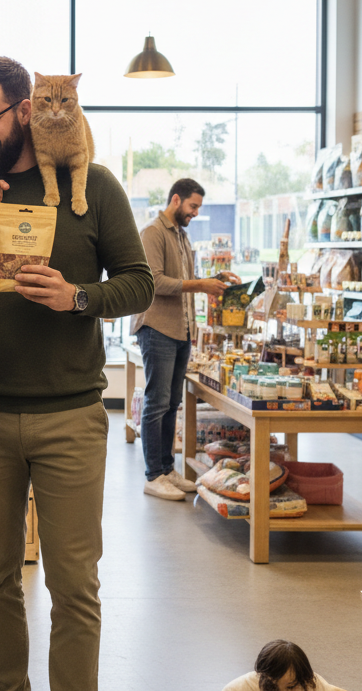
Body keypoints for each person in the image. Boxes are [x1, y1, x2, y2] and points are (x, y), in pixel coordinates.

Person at [0, 56, 155, 691]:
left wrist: (76, 297)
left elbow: (139, 283)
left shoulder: (96, 187)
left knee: (75, 584)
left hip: (72, 415)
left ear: (26, 111)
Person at [131, 178, 240, 501]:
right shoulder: (152, 232)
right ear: (176, 200)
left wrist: (215, 280)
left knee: (172, 404)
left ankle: (166, 468)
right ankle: (153, 475)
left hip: (182, 329)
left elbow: (184, 280)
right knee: (157, 403)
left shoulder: (181, 235)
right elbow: (154, 281)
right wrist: (201, 285)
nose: (195, 213)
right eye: (193, 206)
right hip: (158, 328)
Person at [222, 640, 346, 691]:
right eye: (273, 687)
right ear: (263, 675)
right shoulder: (241, 687)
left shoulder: (312, 684)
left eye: (291, 687)